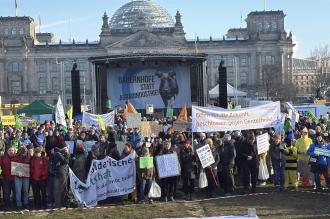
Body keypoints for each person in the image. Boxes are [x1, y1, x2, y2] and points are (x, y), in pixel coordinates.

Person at [51, 143, 70, 208]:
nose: (67, 149)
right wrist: (59, 154)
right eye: (66, 148)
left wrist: (61, 155)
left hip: (63, 174)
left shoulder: (66, 154)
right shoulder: (57, 152)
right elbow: (53, 161)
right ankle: (57, 204)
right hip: (57, 173)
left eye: (67, 148)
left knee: (63, 189)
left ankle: (62, 203)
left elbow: (66, 161)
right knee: (56, 189)